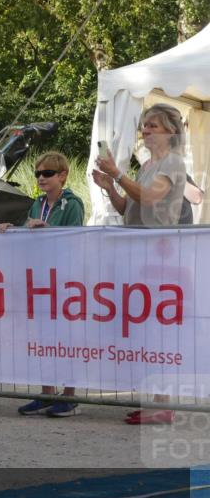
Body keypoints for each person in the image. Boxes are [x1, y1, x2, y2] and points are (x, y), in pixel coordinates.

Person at [92, 103, 188, 424]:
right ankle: (155, 401)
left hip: (160, 257)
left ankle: (163, 405)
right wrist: (110, 188)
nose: (145, 130)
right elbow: (129, 209)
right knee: (146, 332)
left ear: (170, 132)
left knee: (157, 333)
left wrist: (118, 173)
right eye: (144, 125)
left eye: (153, 126)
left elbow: (149, 198)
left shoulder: (173, 163)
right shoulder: (148, 164)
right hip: (142, 255)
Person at [0, 152, 85, 417]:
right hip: (41, 279)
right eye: (37, 173)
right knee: (44, 338)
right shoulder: (37, 203)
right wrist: (12, 228)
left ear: (62, 175)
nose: (41, 178)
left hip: (66, 279)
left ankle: (69, 397)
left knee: (66, 339)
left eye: (47, 173)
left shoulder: (72, 204)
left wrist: (47, 230)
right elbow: (30, 232)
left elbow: (76, 238)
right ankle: (46, 394)